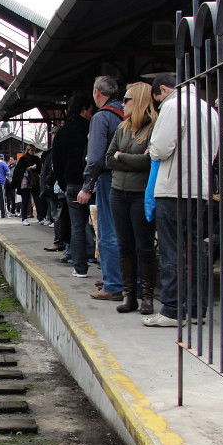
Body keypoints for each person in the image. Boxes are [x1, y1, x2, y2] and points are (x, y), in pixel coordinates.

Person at [143, 73, 219, 327]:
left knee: (171, 250)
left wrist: (151, 148)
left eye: (157, 99)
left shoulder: (173, 106)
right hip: (201, 189)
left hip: (173, 188)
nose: (158, 104)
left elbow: (161, 148)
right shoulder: (208, 109)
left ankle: (172, 310)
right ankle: (197, 309)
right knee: (196, 249)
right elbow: (215, 150)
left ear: (163, 89)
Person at [105, 82, 157, 314]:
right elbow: (108, 158)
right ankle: (129, 295)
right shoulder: (122, 128)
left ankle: (147, 296)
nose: (123, 103)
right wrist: (130, 158)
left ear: (139, 101)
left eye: (127, 99)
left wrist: (121, 157)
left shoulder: (154, 127)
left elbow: (149, 162)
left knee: (144, 246)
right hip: (118, 192)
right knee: (124, 244)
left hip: (140, 194)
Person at [77, 76, 124, 299]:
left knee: (107, 231)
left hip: (108, 179)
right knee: (128, 231)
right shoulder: (130, 113)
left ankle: (113, 283)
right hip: (132, 179)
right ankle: (125, 279)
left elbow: (95, 158)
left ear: (97, 93)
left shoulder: (102, 117)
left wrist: (87, 186)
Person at [54, 95, 93, 274]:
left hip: (72, 184)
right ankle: (105, 267)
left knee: (78, 225)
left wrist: (63, 183)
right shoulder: (90, 127)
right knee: (104, 226)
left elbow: (57, 161)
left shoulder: (62, 132)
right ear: (84, 109)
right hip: (94, 182)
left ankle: (80, 267)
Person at [11, 145, 41, 226]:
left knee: (37, 200)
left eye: (33, 150)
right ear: (27, 150)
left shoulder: (37, 159)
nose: (31, 151)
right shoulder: (23, 159)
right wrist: (27, 169)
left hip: (34, 181)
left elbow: (39, 169)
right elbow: (18, 171)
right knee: (25, 200)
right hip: (25, 182)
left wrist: (33, 169)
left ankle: (41, 217)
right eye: (30, 150)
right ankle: (24, 218)